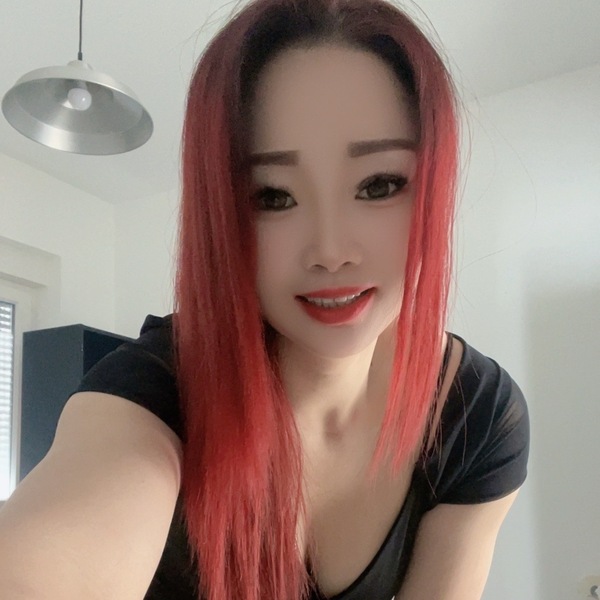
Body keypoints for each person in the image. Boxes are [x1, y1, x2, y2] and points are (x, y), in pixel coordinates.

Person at [0, 0, 530, 599]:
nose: (330, 251)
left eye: (379, 184)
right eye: (273, 196)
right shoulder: (149, 396)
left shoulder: (476, 414)